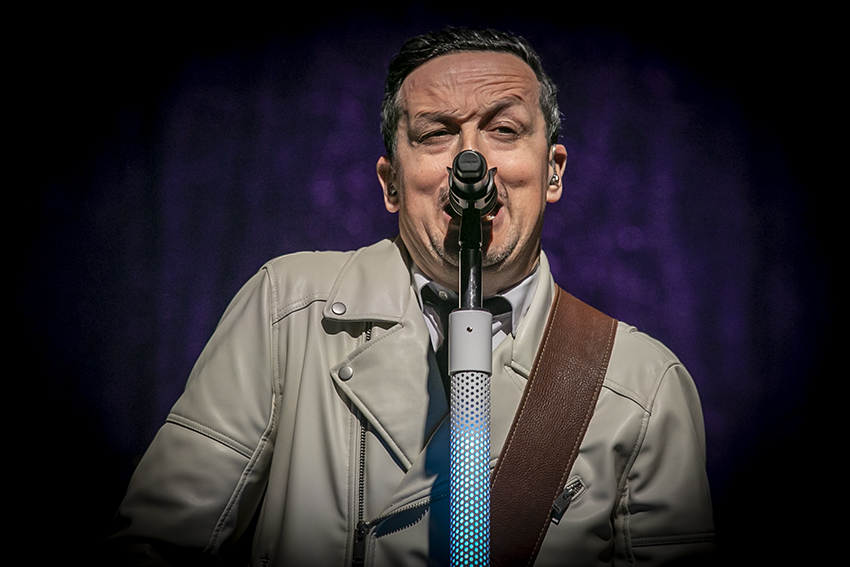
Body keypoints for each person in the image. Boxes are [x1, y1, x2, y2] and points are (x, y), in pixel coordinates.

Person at [107, 28, 716, 566]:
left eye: (504, 130)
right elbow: (157, 541)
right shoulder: (287, 311)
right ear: (391, 182)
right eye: (436, 134)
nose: (471, 161)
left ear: (553, 171)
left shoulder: (643, 386)